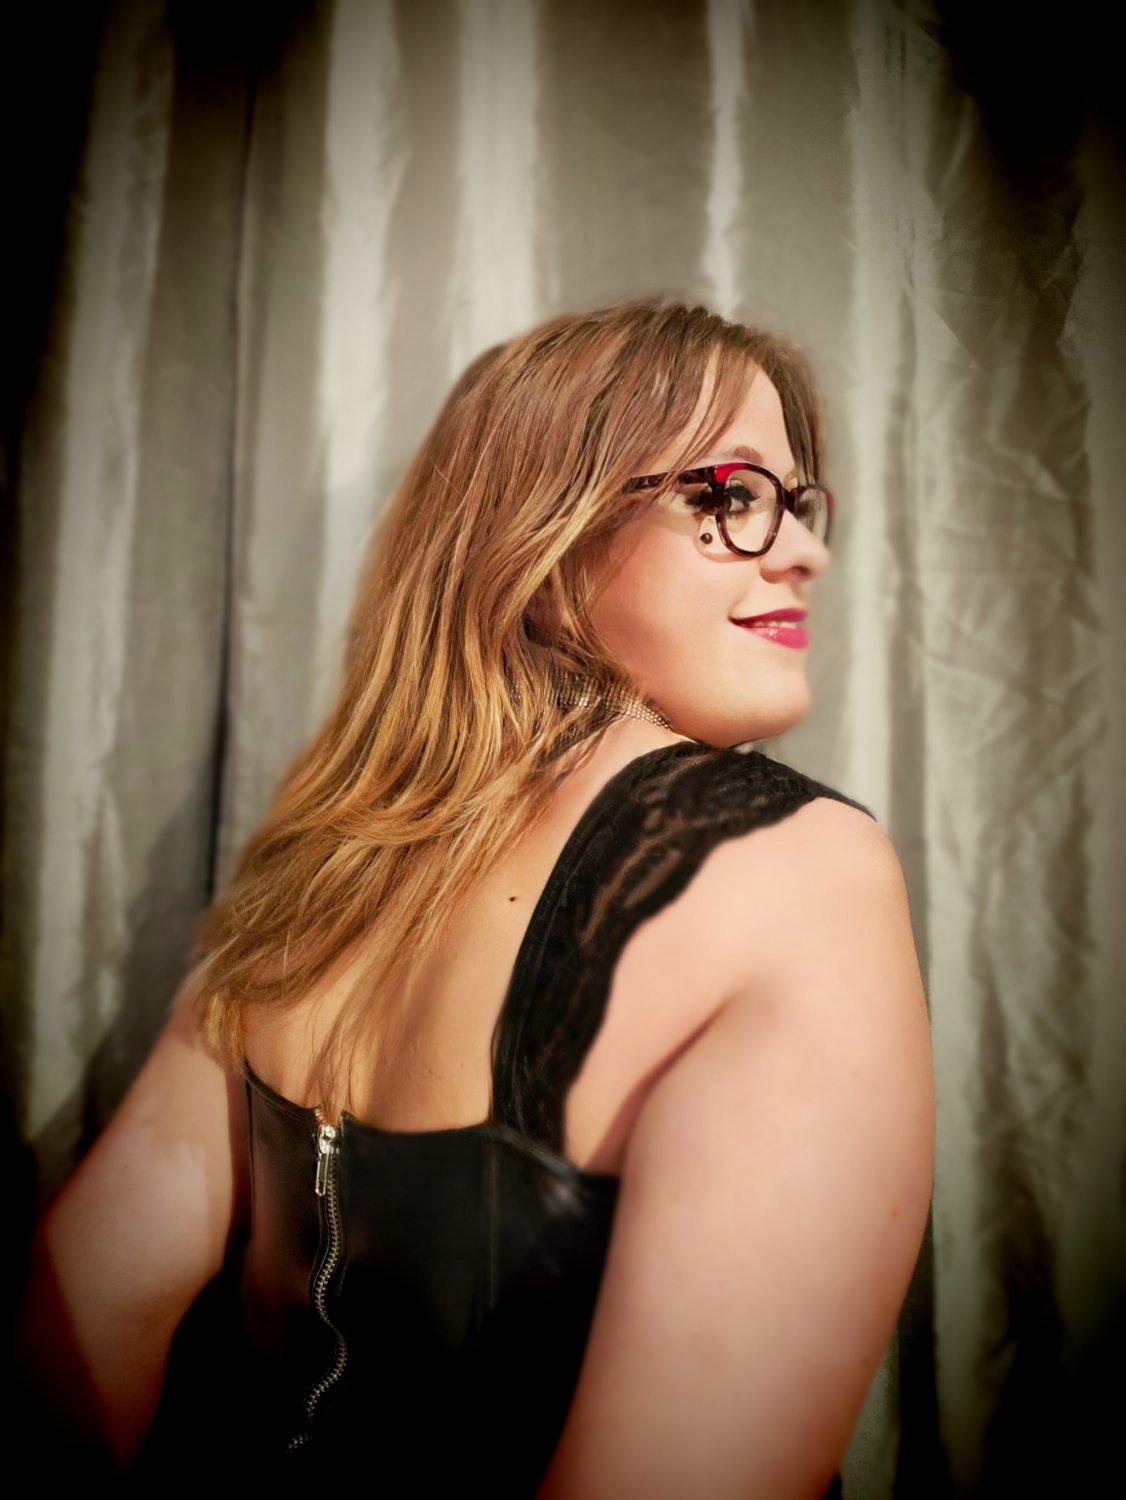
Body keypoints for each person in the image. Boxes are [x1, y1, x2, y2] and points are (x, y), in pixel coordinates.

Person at [17, 299, 934, 1497]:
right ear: (541, 545)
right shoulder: (798, 867)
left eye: (798, 503)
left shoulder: (316, 879)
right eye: (729, 495)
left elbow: (80, 1320)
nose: (803, 551)